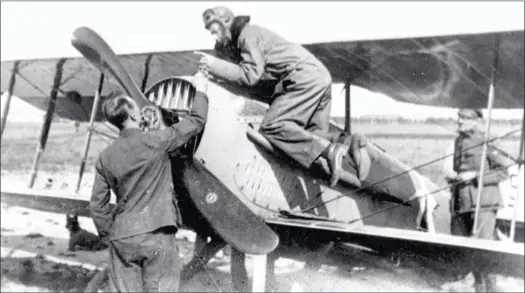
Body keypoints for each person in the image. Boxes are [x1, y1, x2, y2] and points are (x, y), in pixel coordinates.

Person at [195, 6, 367, 187]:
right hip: (317, 76)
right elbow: (253, 79)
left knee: (272, 126)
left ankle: (329, 151)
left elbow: (250, 75)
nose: (214, 37)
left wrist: (214, 65)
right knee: (308, 136)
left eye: (215, 32)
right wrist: (218, 78)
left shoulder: (247, 35)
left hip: (301, 78)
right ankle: (348, 142)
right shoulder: (252, 35)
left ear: (226, 23)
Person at [89, 76, 209, 292]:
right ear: (134, 114)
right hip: (157, 232)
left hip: (122, 237)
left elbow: (97, 206)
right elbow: (196, 122)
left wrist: (112, 235)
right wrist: (200, 92)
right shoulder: (156, 141)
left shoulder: (104, 157)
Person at [442, 108, 513, 292]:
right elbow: (459, 169)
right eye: (458, 117)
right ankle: (477, 287)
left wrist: (475, 176)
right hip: (462, 201)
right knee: (465, 250)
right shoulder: (459, 141)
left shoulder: (488, 140)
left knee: (483, 249)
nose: (459, 122)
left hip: (483, 203)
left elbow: (503, 172)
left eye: (464, 118)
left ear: (475, 121)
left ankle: (490, 289)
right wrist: (453, 176)